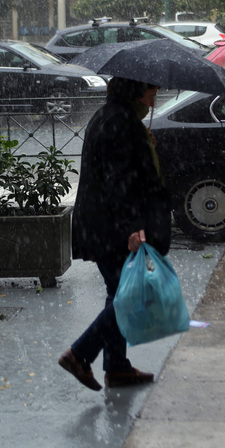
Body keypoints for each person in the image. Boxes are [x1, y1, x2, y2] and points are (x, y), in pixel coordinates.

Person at [59, 76, 172, 391]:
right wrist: (133, 226)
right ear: (135, 90)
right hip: (113, 226)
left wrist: (143, 145)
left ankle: (117, 368)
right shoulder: (120, 122)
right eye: (152, 87)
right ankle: (80, 354)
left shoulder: (113, 117)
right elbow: (118, 181)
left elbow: (122, 172)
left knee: (119, 293)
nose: (156, 91)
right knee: (131, 297)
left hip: (101, 223)